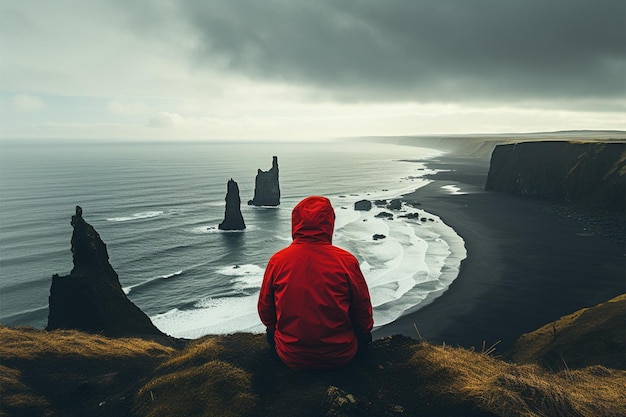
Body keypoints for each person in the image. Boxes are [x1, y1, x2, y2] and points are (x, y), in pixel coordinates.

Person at [257, 196, 374, 369]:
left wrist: (279, 330)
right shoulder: (346, 261)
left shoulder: (278, 261)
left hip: (291, 356)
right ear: (329, 223)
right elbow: (363, 311)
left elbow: (265, 311)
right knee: (365, 337)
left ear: (296, 223)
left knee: (270, 333)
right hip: (340, 355)